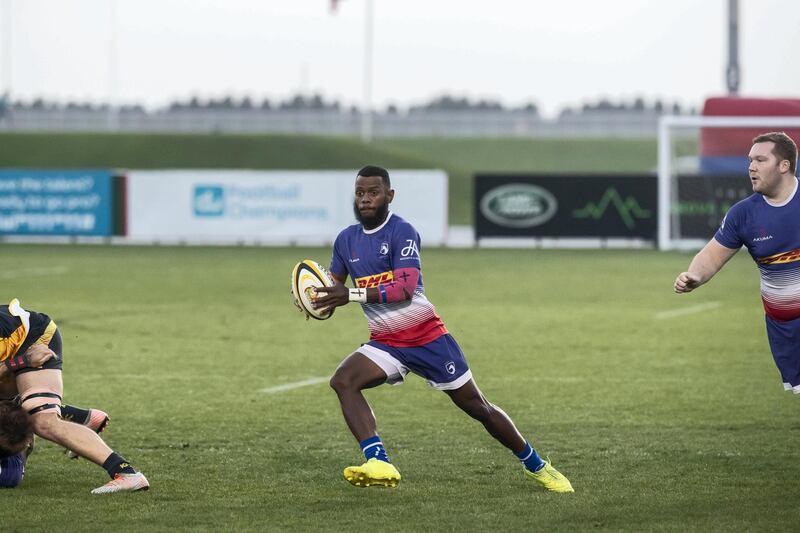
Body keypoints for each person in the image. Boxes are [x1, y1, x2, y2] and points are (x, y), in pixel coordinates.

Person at [313, 165, 574, 492]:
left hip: (427, 338)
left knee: (480, 408)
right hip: (386, 342)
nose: (365, 199)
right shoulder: (345, 240)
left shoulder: (402, 232)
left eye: (373, 192)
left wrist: (348, 294)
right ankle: (378, 461)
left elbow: (404, 289)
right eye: (360, 193)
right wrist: (318, 302)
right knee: (343, 380)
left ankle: (535, 464)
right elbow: (334, 290)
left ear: (389, 196)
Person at [674, 131, 800, 394]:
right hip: (785, 330)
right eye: (750, 160)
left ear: (784, 165)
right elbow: (711, 254)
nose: (751, 167)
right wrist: (694, 275)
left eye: (760, 160)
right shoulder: (743, 215)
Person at [0, 298, 149, 493]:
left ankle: (126, 473)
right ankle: (78, 417)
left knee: (42, 421)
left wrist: (24, 360)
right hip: (10, 347)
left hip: (34, 339)